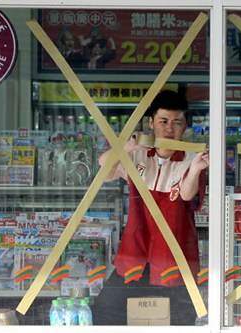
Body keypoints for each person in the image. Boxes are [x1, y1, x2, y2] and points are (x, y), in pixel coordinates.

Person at [92, 90, 209, 325]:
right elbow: (105, 170)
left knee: (181, 319)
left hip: (173, 254)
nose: (169, 128)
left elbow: (186, 194)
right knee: (106, 310)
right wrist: (126, 148)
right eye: (163, 121)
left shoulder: (191, 158)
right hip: (136, 250)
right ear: (151, 123)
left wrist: (196, 169)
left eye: (177, 122)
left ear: (185, 125)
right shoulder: (139, 155)